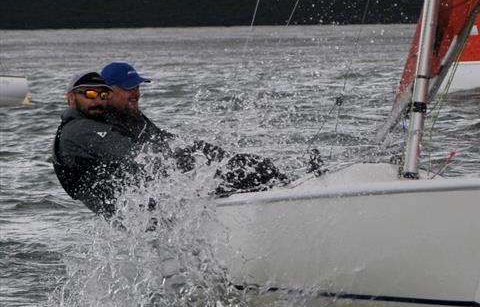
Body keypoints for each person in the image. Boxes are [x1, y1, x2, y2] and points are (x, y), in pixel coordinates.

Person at [100, 61, 297, 194]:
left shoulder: (131, 114)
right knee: (255, 172)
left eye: (137, 87)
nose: (136, 93)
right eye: (129, 88)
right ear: (108, 92)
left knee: (255, 163)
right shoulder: (105, 124)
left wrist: (199, 149)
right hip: (174, 183)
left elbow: (161, 139)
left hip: (183, 170)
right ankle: (285, 193)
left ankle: (292, 185)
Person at [51, 70, 143, 217]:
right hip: (138, 214)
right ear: (71, 98)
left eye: (103, 95)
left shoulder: (100, 122)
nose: (97, 101)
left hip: (137, 214)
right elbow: (138, 155)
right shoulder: (78, 131)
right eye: (90, 94)